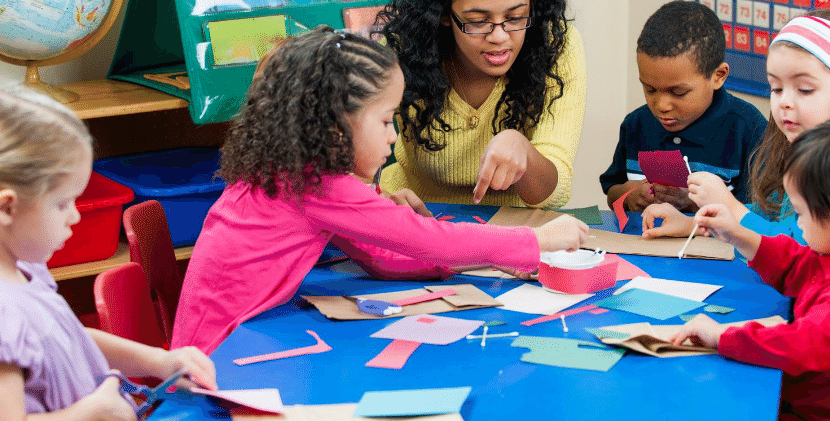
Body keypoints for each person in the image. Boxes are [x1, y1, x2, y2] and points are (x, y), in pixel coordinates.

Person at [172, 28, 587, 353]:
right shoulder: (318, 186)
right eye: (386, 120)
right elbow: (429, 243)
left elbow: (383, 258)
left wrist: (413, 233)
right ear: (336, 126)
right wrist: (535, 240)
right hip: (216, 359)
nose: (392, 137)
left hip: (219, 344)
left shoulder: (294, 172)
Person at [0, 86, 216, 421]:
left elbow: (65, 336)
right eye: (62, 203)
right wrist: (93, 414)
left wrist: (161, 360)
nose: (74, 216)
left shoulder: (22, 270)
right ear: (6, 207)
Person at [671, 114, 830, 421]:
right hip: (809, 406)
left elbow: (799, 346)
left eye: (801, 214)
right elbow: (801, 267)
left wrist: (722, 335)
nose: (798, 224)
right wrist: (740, 235)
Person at [377, 0, 586, 209]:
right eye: (477, 21)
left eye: (516, 18)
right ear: (444, 13)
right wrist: (380, 202)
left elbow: (552, 194)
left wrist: (524, 149)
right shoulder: (406, 48)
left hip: (514, 227)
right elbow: (349, 158)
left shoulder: (556, 44)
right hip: (417, 217)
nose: (500, 37)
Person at [642, 9, 830, 242]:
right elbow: (770, 217)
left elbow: (797, 249)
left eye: (805, 89)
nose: (784, 102)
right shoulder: (801, 153)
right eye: (776, 88)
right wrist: (695, 224)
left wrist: (730, 207)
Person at [600, 0, 766, 213]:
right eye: (650, 89)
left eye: (678, 92)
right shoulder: (636, 125)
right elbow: (612, 191)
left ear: (718, 76)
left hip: (712, 246)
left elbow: (764, 217)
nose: (661, 105)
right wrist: (627, 197)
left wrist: (700, 204)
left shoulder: (749, 129)